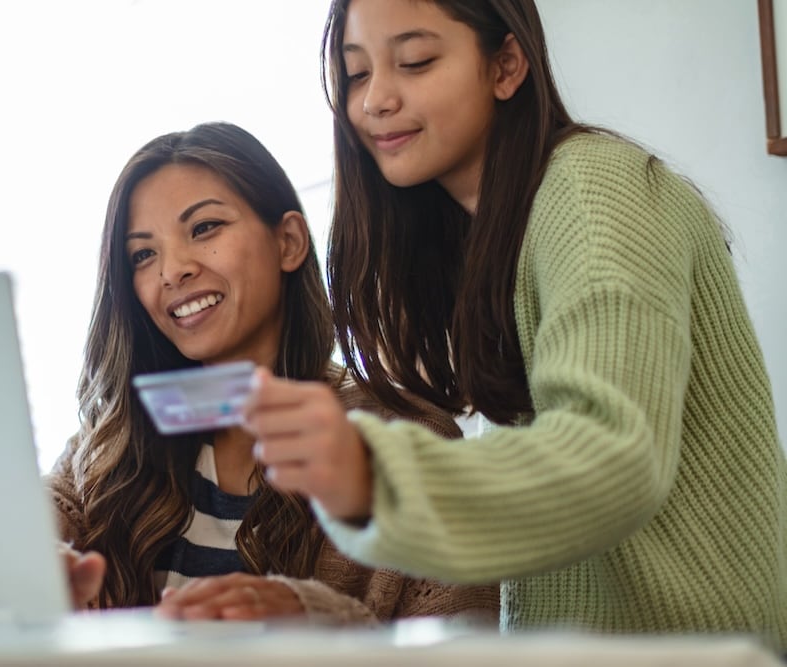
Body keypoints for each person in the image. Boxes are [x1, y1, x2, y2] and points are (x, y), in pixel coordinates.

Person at [246, 0, 787, 652]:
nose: (375, 100)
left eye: (415, 61)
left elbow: (611, 454)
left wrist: (375, 476)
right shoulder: (489, 233)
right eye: (357, 73)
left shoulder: (592, 191)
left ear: (505, 66)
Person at [46, 121, 499, 625]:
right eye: (143, 254)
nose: (172, 271)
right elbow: (28, 530)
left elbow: (464, 642)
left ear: (288, 242)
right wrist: (23, 568)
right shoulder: (106, 447)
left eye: (204, 228)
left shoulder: (408, 437)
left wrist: (316, 620)